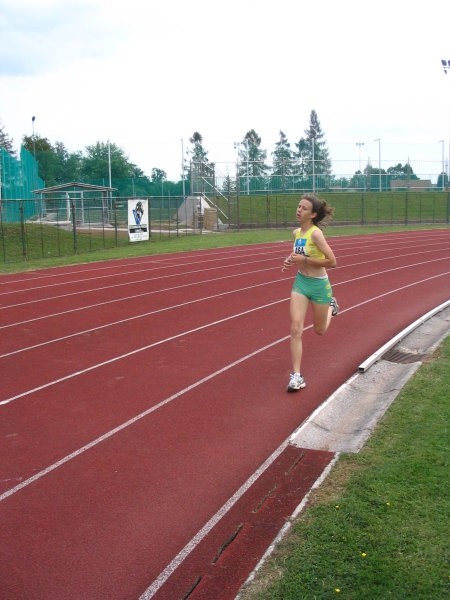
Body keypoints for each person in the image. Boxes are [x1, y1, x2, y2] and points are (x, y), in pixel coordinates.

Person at [282, 193, 339, 392]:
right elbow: (298, 254)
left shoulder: (316, 234)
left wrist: (303, 261)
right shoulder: (296, 233)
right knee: (295, 328)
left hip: (319, 285)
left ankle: (331, 306)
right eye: (299, 206)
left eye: (304, 208)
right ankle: (297, 376)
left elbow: (332, 262)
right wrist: (291, 259)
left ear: (313, 214)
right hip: (301, 283)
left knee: (319, 331)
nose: (299, 210)